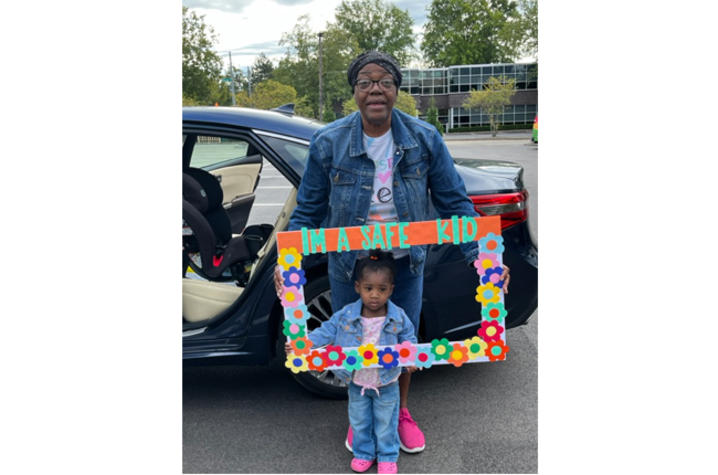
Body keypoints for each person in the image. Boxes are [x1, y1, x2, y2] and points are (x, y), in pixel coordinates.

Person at [276, 50, 510, 454]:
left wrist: (485, 262)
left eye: (384, 81)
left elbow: (456, 204)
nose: (375, 90)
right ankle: (361, 418)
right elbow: (309, 210)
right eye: (365, 82)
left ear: (397, 89)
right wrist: (288, 263)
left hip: (405, 264)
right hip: (350, 266)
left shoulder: (423, 138)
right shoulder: (329, 141)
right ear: (355, 92)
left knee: (400, 339)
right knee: (354, 343)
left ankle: (399, 412)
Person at [285, 250, 417, 474]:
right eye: (369, 289)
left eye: (382, 289)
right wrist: (304, 344)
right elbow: (325, 331)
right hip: (357, 382)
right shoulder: (346, 315)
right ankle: (364, 453)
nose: (374, 295)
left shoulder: (399, 316)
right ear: (357, 287)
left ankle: (387, 456)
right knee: (359, 421)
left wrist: (410, 356)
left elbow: (409, 339)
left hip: (388, 382)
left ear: (391, 290)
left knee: (386, 422)